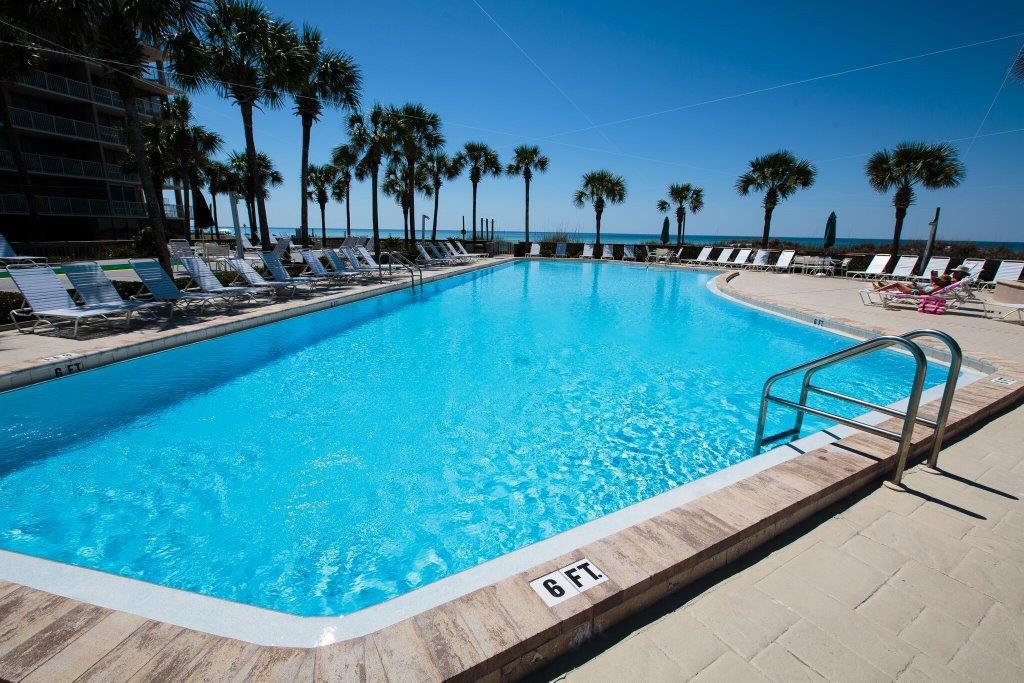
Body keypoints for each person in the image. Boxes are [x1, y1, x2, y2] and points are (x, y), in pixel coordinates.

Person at [872, 265, 969, 295]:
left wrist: (918, 288)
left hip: (919, 292)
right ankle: (883, 287)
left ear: (961, 273)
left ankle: (879, 289)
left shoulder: (953, 281)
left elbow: (929, 291)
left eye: (957, 272)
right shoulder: (949, 281)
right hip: (921, 290)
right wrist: (934, 280)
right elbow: (933, 286)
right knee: (908, 285)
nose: (955, 272)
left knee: (898, 283)